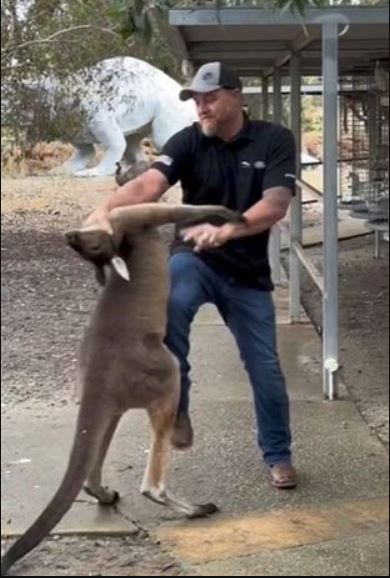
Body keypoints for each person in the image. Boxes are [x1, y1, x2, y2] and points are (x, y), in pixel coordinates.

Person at [86, 62, 298, 489]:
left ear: (237, 96)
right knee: (171, 306)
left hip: (247, 273)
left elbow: (276, 203)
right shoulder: (188, 142)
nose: (202, 107)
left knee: (265, 369)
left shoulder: (275, 140)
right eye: (196, 100)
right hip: (194, 259)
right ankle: (178, 406)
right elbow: (149, 185)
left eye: (210, 98)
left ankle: (278, 455)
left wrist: (229, 229)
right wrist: (105, 209)